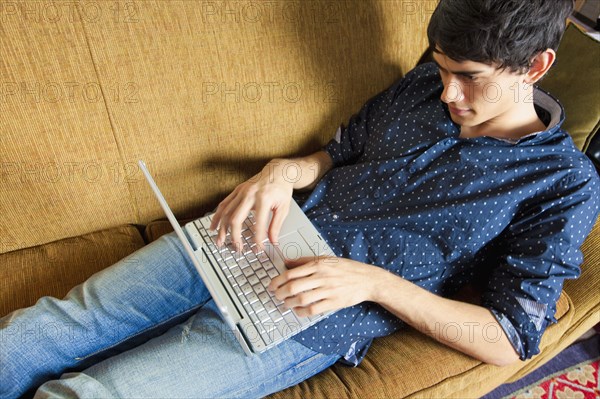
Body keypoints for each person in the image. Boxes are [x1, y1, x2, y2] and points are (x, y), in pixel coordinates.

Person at [2, 0, 598, 397]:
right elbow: (341, 150)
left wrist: (372, 283)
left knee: (91, 396)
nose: (447, 91)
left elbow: (508, 339)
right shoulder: (426, 85)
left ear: (536, 67)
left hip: (316, 318)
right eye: (441, 68)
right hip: (250, 233)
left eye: (469, 76)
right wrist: (283, 172)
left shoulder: (563, 184)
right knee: (52, 326)